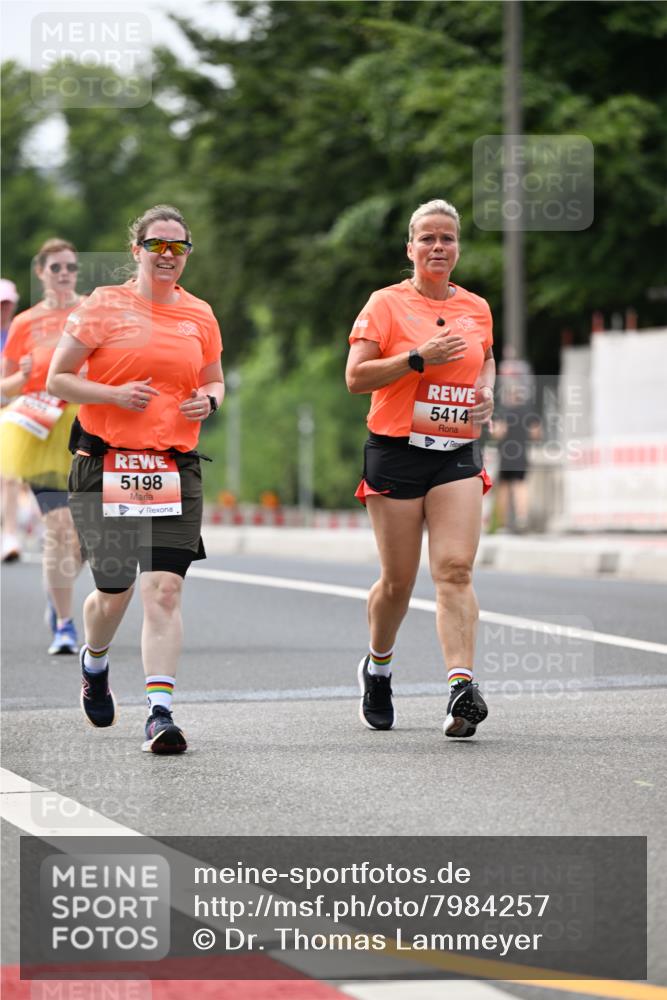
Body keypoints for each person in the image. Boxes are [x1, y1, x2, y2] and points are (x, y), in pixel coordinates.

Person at [47, 204, 223, 755]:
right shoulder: (104, 306)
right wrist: (114, 396)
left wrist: (208, 401)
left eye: (178, 247)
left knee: (164, 590)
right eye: (157, 245)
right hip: (107, 464)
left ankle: (160, 713)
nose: (168, 256)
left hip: (173, 466)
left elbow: (215, 380)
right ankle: (94, 661)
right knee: (114, 590)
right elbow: (60, 379)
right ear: (137, 250)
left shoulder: (200, 314)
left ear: (187, 253)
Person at [345, 198, 494, 738]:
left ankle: (461, 688)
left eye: (447, 238)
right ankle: (378, 667)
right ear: (410, 248)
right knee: (399, 582)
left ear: (457, 247)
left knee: (454, 569)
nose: (438, 247)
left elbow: (487, 357)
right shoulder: (384, 305)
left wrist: (487, 393)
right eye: (427, 238)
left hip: (455, 450)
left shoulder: (476, 306)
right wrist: (416, 359)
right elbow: (356, 378)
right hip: (396, 450)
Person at [0, 244, 85, 650]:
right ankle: (65, 625)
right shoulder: (24, 323)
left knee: (85, 539)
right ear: (40, 272)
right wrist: (23, 378)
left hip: (90, 431)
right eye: (56, 267)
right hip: (42, 434)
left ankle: (58, 593)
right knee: (58, 527)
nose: (64, 273)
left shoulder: (94, 312)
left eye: (71, 267)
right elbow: (3, 388)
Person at [492, 353, 541, 533]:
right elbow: (536, 433)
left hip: (506, 452)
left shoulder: (503, 411)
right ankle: (521, 518)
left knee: (504, 486)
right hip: (522, 451)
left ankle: (502, 523)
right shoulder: (528, 409)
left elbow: (499, 432)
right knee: (521, 484)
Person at [1, 278, 22, 563]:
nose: (2, 309)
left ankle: (11, 534)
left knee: (10, 476)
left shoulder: (21, 333)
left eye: (6, 304)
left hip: (15, 411)